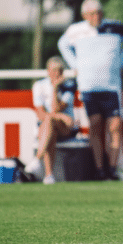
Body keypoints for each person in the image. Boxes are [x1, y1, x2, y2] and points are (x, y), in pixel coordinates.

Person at [58, 0, 123, 180]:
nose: (97, 16)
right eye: (93, 13)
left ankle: (112, 168)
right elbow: (62, 45)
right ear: (85, 15)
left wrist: (122, 61)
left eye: (99, 12)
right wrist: (74, 64)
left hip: (111, 85)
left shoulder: (115, 27)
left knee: (115, 126)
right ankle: (99, 168)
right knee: (95, 124)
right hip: (89, 86)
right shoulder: (76, 30)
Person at [28, 56, 78, 184]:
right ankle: (49, 176)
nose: (57, 73)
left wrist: (55, 88)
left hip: (65, 128)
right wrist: (60, 116)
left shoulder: (69, 85)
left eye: (60, 70)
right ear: (48, 71)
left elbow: (56, 108)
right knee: (50, 127)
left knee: (49, 123)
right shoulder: (39, 85)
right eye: (54, 70)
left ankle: (37, 161)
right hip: (51, 124)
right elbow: (40, 113)